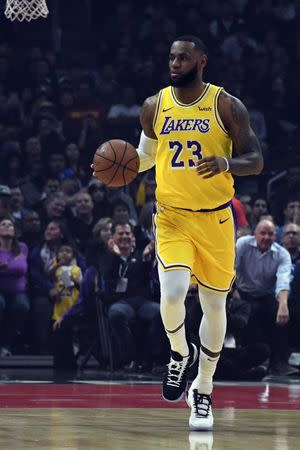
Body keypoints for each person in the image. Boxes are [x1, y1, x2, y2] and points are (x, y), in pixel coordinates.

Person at [92, 35, 263, 430]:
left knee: (214, 307)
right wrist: (118, 166)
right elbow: (148, 156)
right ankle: (178, 353)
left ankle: (202, 388)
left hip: (217, 219)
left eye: (183, 57)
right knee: (171, 294)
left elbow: (255, 160)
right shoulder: (155, 106)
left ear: (201, 61)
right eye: (171, 57)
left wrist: (226, 162)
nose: (174, 63)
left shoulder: (226, 105)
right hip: (171, 217)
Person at [235, 219, 296, 376]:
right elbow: (230, 268)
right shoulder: (242, 244)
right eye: (262, 233)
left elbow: (283, 279)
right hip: (241, 293)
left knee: (282, 313)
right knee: (248, 313)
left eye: (270, 234)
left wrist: (283, 305)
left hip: (266, 295)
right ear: (254, 234)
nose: (266, 237)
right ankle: (249, 363)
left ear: (275, 236)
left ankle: (279, 363)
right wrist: (233, 291)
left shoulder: (282, 254)